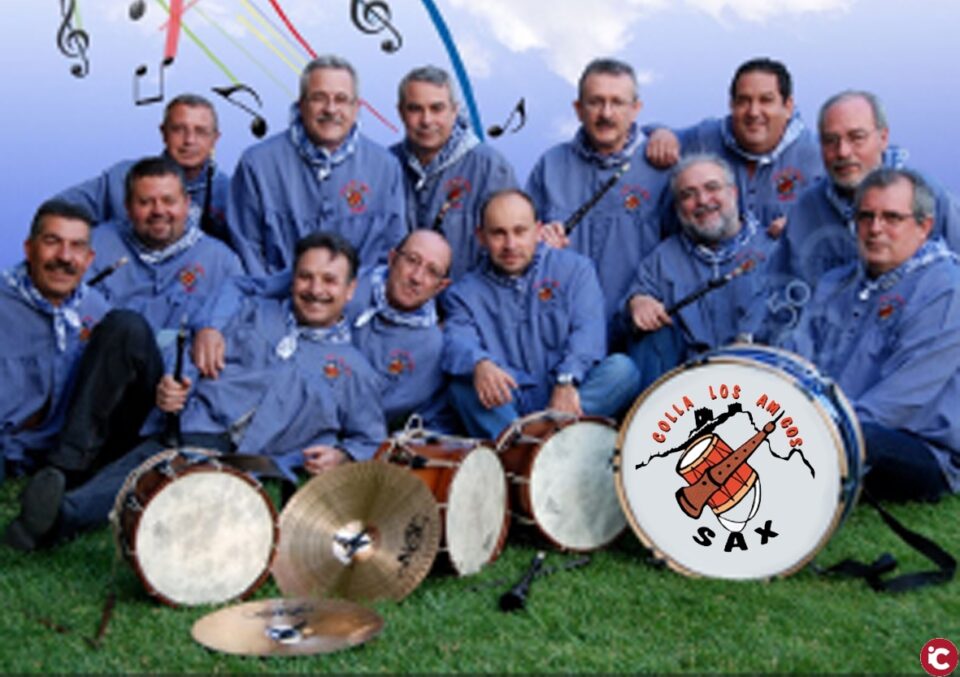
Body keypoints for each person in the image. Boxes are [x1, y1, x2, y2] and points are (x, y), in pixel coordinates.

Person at [5, 232, 386, 550]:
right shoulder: (253, 310)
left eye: (329, 281)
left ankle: (60, 516)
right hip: (180, 412)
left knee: (176, 458)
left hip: (235, 451)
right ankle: (65, 474)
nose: (315, 289)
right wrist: (175, 381)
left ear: (351, 290)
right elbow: (185, 345)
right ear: (292, 277)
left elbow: (371, 437)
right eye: (305, 277)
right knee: (128, 333)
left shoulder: (354, 371)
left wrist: (342, 454)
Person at [785, 168, 960, 501]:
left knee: (864, 438)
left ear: (923, 226)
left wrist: (819, 430)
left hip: (916, 447)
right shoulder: (835, 283)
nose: (876, 229)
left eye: (892, 217)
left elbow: (901, 400)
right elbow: (798, 361)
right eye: (866, 216)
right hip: (830, 426)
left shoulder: (947, 289)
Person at [195, 229, 457, 433]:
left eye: (432, 272)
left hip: (316, 427)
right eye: (412, 260)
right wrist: (211, 326)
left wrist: (344, 450)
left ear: (441, 286)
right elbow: (244, 287)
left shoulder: (431, 348)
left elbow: (376, 416)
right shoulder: (334, 276)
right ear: (392, 258)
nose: (417, 276)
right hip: (262, 394)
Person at [442, 189, 642, 440]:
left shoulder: (576, 270)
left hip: (568, 391)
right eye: (498, 233)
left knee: (623, 370)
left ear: (538, 230)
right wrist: (479, 363)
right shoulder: (464, 293)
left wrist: (567, 379)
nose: (510, 244)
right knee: (462, 387)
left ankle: (527, 448)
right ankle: (539, 446)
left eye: (519, 231)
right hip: (507, 402)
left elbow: (588, 332)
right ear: (480, 237)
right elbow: (456, 339)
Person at [526, 58, 671, 344]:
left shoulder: (662, 168)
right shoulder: (550, 165)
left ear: (636, 109)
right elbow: (515, 246)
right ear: (578, 109)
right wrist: (536, 245)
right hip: (557, 336)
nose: (606, 113)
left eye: (617, 102)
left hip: (637, 332)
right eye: (595, 102)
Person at [228, 55, 406, 275]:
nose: (331, 109)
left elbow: (392, 253)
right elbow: (247, 254)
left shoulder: (386, 168)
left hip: (360, 306)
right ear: (301, 104)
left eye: (341, 99)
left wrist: (358, 299)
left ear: (356, 107)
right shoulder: (256, 165)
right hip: (275, 303)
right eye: (319, 98)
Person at [621, 154, 780, 388]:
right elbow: (628, 314)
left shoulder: (776, 250)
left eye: (712, 188)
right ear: (677, 208)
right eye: (688, 194)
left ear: (733, 193)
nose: (703, 200)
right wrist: (637, 302)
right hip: (685, 397)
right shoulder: (662, 259)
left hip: (762, 387)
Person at [775, 90, 960, 286]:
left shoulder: (930, 197)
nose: (843, 152)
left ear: (883, 138)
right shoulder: (805, 210)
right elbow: (780, 287)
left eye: (857, 137)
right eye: (830, 140)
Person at [644, 57, 823, 233]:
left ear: (788, 106)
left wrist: (806, 223)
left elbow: (843, 213)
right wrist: (661, 133)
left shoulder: (819, 155)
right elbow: (643, 136)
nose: (753, 112)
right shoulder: (704, 138)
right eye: (743, 101)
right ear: (731, 105)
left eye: (766, 100)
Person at [0, 201, 108, 485]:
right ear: (29, 248)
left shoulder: (98, 312)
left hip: (57, 455)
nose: (64, 256)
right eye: (52, 242)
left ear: (89, 258)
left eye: (77, 246)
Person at [86, 156, 242, 347]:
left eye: (169, 201)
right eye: (145, 202)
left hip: (188, 372)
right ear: (127, 207)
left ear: (187, 204)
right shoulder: (94, 247)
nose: (158, 211)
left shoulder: (222, 263)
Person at [391, 65, 517, 280]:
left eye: (436, 108)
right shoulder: (385, 167)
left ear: (455, 110)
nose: (426, 120)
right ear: (400, 112)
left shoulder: (491, 168)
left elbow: (511, 254)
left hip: (468, 308)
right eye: (415, 109)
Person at [54, 94, 230, 242]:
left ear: (215, 138)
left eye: (200, 131)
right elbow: (57, 211)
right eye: (178, 129)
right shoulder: (122, 177)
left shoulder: (233, 193)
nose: (189, 140)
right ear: (163, 133)